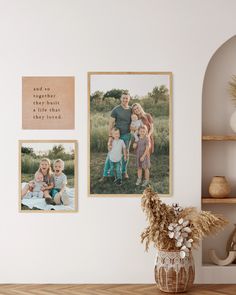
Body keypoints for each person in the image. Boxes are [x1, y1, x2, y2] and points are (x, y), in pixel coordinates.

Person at [101, 91, 132, 181]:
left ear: (129, 99)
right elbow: (111, 124)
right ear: (120, 99)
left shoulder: (131, 109)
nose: (125, 100)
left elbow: (135, 120)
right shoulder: (116, 109)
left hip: (127, 135)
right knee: (110, 154)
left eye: (127, 98)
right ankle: (105, 174)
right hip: (116, 136)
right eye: (123, 98)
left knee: (126, 153)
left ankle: (124, 172)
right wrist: (110, 136)